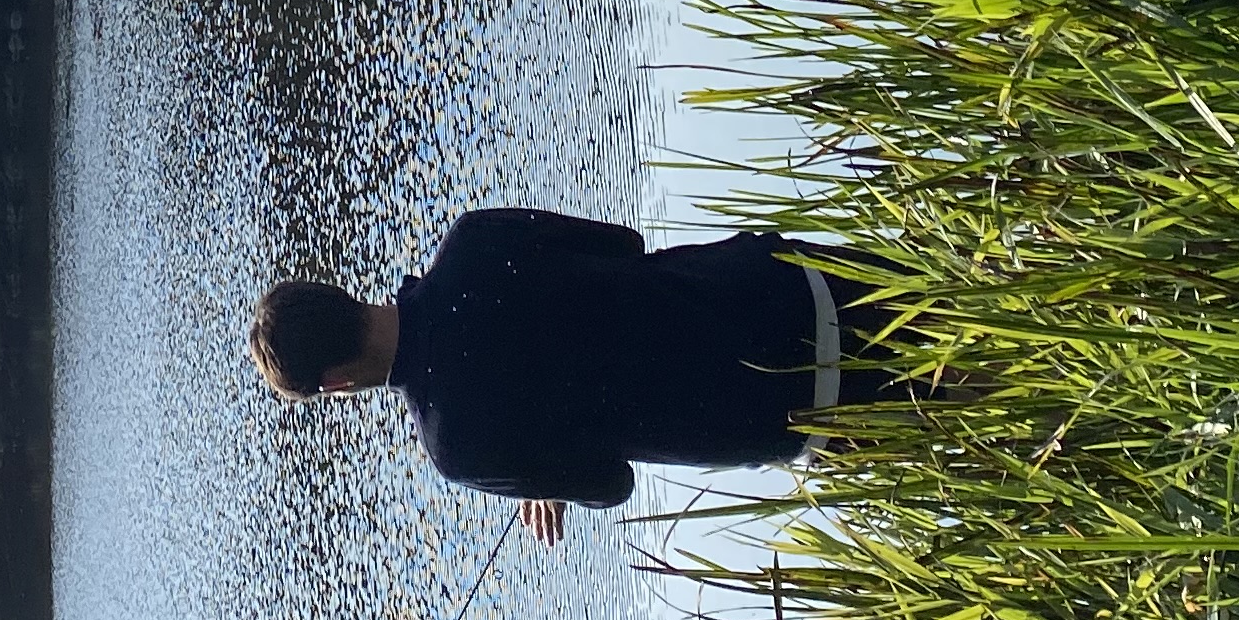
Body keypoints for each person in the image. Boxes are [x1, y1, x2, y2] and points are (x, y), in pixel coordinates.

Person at [248, 207, 901, 540]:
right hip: (789, 281)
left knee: (980, 415)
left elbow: (610, 481)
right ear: (338, 295)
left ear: (334, 385)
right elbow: (624, 244)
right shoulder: (474, 241)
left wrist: (546, 477)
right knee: (981, 299)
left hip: (805, 407)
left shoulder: (457, 445)